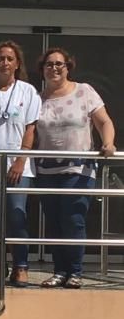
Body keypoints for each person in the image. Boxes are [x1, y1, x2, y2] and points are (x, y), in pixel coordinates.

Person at [35, 48, 115, 289]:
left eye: (60, 64)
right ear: (43, 69)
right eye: (49, 64)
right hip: (47, 171)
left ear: (68, 67)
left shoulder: (84, 91)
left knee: (73, 219)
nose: (55, 68)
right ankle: (59, 271)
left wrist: (108, 142)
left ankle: (75, 271)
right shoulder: (38, 98)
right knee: (55, 222)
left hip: (78, 170)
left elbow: (103, 121)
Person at [0, 41, 40, 287]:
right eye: (0, 58)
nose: (5, 63)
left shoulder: (27, 91)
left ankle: (20, 266)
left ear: (17, 64)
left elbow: (30, 128)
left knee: (16, 215)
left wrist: (20, 160)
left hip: (17, 166)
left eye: (9, 59)